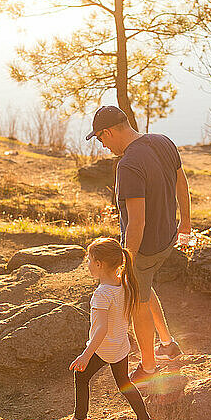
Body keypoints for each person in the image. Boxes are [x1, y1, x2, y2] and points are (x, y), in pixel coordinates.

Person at [86, 106, 191, 386]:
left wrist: (126, 263)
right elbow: (182, 183)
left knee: (136, 301)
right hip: (167, 237)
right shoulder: (162, 141)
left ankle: (148, 366)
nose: (103, 145)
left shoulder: (129, 164)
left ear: (107, 132)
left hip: (144, 247)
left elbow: (137, 223)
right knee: (144, 286)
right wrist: (186, 224)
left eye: (100, 139)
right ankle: (167, 343)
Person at [64, 237, 160, 420]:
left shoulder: (101, 294)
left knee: (81, 376)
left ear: (99, 264)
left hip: (103, 348)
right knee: (125, 383)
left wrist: (85, 355)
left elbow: (100, 329)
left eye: (89, 260)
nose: (87, 264)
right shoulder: (126, 284)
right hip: (120, 347)